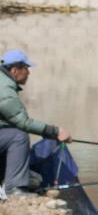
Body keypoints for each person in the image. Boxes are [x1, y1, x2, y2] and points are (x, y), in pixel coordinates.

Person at [0, 49, 72, 198]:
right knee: (18, 136)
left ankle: (5, 181)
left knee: (11, 133)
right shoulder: (5, 90)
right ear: (14, 70)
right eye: (26, 68)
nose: (28, 72)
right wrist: (55, 131)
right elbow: (23, 123)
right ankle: (14, 190)